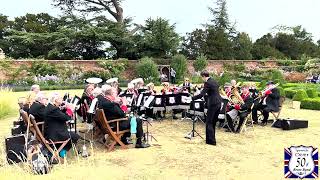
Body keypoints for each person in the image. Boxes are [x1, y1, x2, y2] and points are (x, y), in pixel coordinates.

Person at [192, 70, 222, 145]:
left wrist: (192, 98)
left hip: (213, 104)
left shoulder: (207, 83)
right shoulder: (214, 81)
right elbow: (213, 92)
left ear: (204, 76)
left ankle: (211, 141)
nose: (202, 79)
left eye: (202, 77)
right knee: (213, 122)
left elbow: (201, 95)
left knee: (209, 122)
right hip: (219, 103)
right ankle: (211, 139)